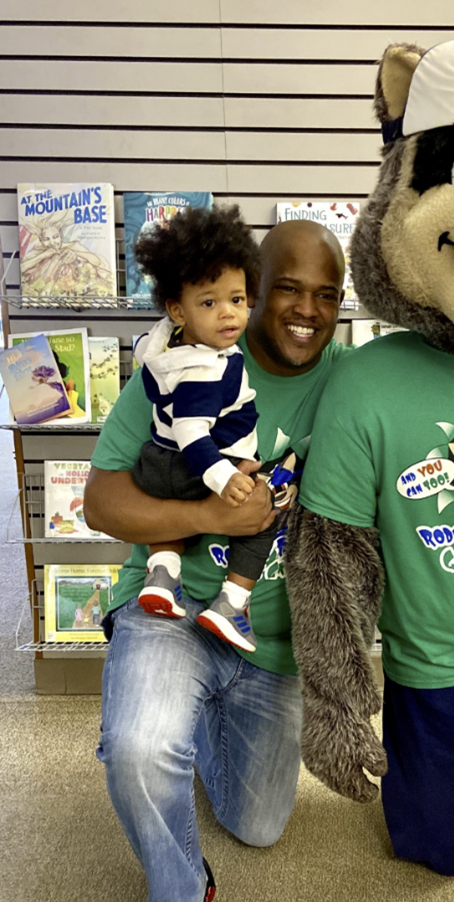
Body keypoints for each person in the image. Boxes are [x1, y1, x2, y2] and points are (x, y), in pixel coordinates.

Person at [83, 218, 454, 902]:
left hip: (275, 646)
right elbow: (100, 501)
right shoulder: (183, 364)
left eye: (326, 295)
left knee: (258, 823)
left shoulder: (355, 375)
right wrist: (212, 518)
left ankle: (184, 727)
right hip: (178, 609)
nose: (306, 309)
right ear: (250, 290)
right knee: (136, 746)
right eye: (286, 289)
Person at [130, 204, 275, 653]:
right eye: (208, 303)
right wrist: (224, 477)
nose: (228, 314)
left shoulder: (163, 346)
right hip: (200, 463)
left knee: (169, 506)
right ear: (179, 309)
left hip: (157, 462)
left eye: (236, 299)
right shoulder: (209, 366)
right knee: (262, 519)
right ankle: (231, 603)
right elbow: (193, 429)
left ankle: (163, 571)